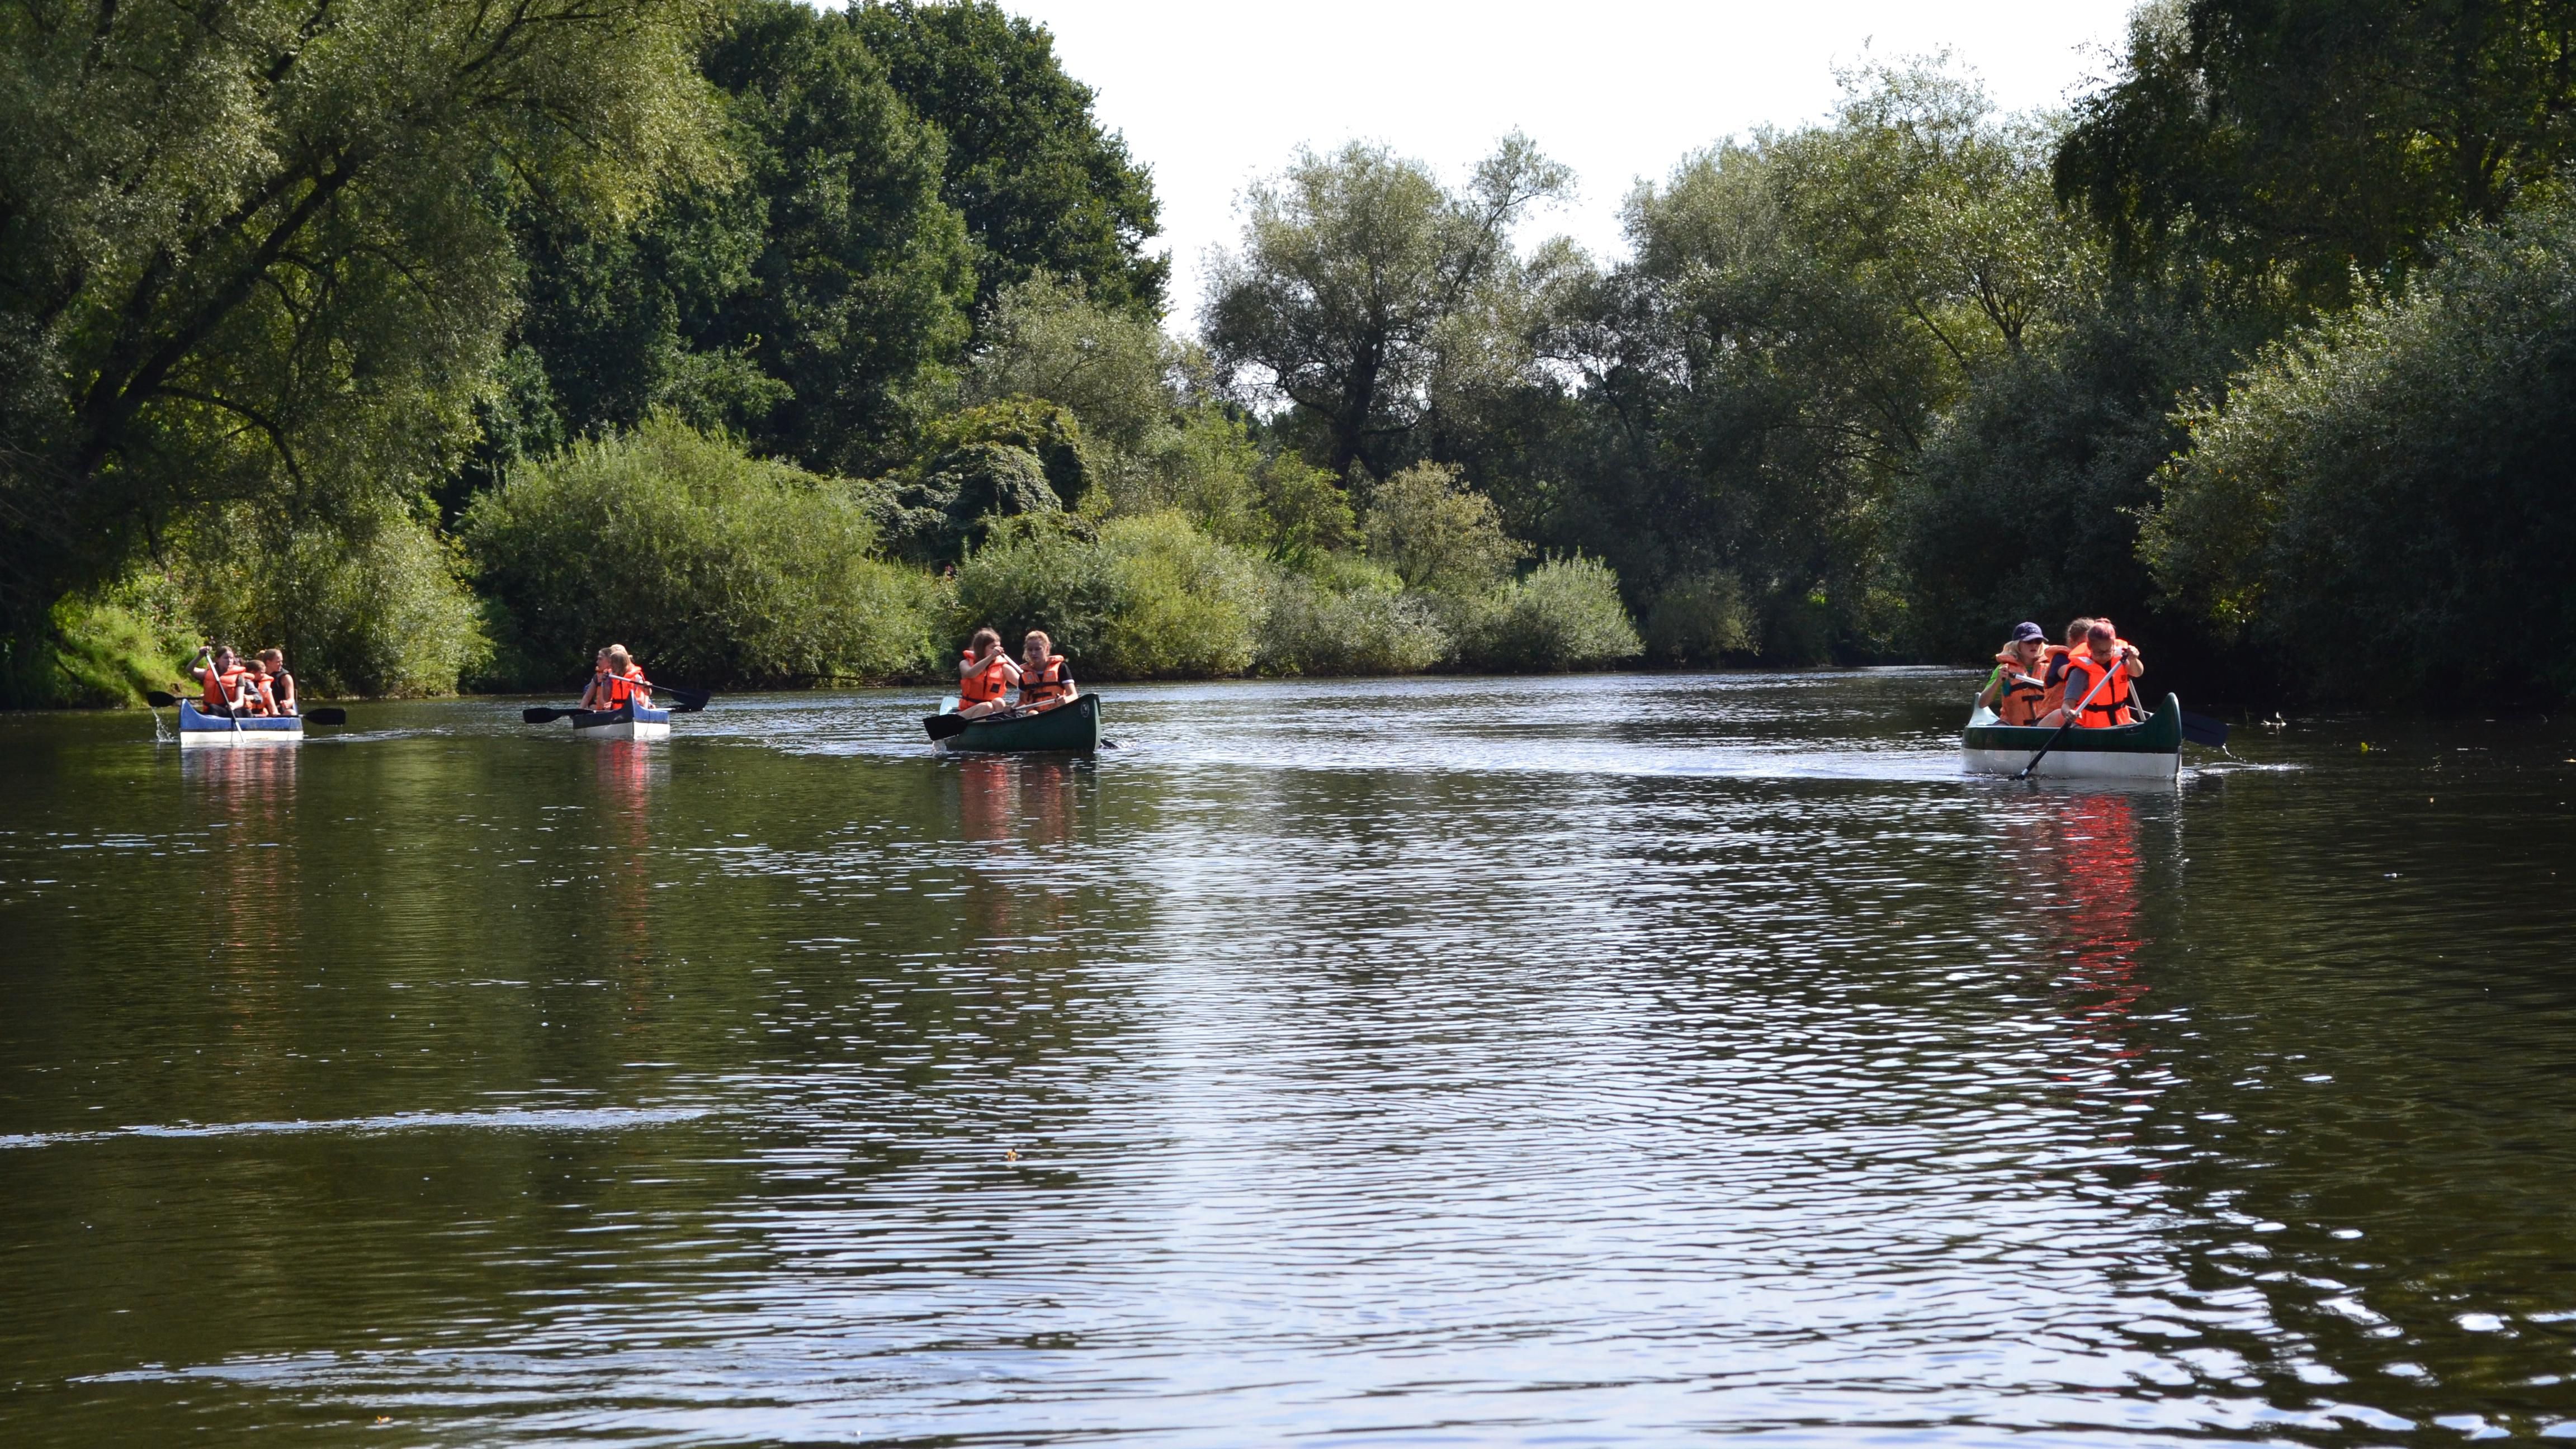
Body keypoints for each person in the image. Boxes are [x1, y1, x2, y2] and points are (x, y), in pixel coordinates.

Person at [2051, 619, 2144, 728]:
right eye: (2100, 652)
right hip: (2090, 727)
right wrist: (2069, 713)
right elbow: (2067, 705)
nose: (2104, 656)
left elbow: (2138, 673)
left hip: (2120, 723)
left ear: (2113, 646)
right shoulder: (2080, 671)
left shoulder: (2121, 660)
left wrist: (2133, 659)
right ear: (2090, 648)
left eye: (2108, 651)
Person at [1975, 622, 2050, 726]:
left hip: (2044, 725)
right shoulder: (2004, 668)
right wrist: (1998, 681)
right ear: (2017, 644)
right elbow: (1982, 703)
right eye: (2029, 641)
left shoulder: (2051, 667)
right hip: (2012, 725)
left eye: (2038, 641)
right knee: (2000, 728)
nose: (2034, 645)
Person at [2036, 618, 2096, 722]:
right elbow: (2074, 677)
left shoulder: (2099, 662)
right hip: (2053, 719)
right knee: (2059, 714)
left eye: (2092, 645)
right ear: (2072, 642)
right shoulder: (2061, 658)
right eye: (2084, 644)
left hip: (2085, 717)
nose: (2089, 649)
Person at [956, 628, 1018, 719]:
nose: (997, 651)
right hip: (967, 713)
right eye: (993, 648)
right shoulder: (965, 664)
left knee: (999, 702)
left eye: (998, 647)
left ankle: (999, 726)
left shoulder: (1003, 668)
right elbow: (971, 674)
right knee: (987, 706)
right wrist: (991, 656)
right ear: (981, 649)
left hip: (991, 713)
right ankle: (977, 730)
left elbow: (1024, 684)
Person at [1015, 630, 1076, 711]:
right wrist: (1010, 708)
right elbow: (1022, 701)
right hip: (1035, 715)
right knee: (1032, 713)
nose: (1033, 653)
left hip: (1057, 712)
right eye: (1030, 650)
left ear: (1047, 648)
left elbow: (1074, 695)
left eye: (1038, 649)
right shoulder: (1025, 674)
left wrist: (1066, 700)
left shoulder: (1061, 668)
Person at [189, 645, 247, 717]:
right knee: (192, 711)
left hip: (228, 711)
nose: (229, 661)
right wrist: (200, 656)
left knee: (213, 708)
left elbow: (240, 701)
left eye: (231, 658)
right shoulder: (208, 673)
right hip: (210, 711)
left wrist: (234, 705)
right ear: (217, 659)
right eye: (226, 658)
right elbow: (190, 669)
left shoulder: (239, 677)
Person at [593, 645, 650, 712]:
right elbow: (607, 699)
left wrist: (647, 687)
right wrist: (605, 683)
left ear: (620, 664)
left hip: (635, 709)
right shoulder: (610, 676)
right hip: (618, 710)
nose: (610, 665)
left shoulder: (636, 676)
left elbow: (647, 693)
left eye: (612, 663)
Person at [258, 648, 298, 716]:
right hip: (263, 711)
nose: (281, 664)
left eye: (281, 661)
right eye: (278, 662)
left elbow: (291, 700)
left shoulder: (286, 678)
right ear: (268, 663)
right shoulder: (259, 675)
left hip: (280, 710)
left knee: (291, 713)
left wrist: (287, 703)